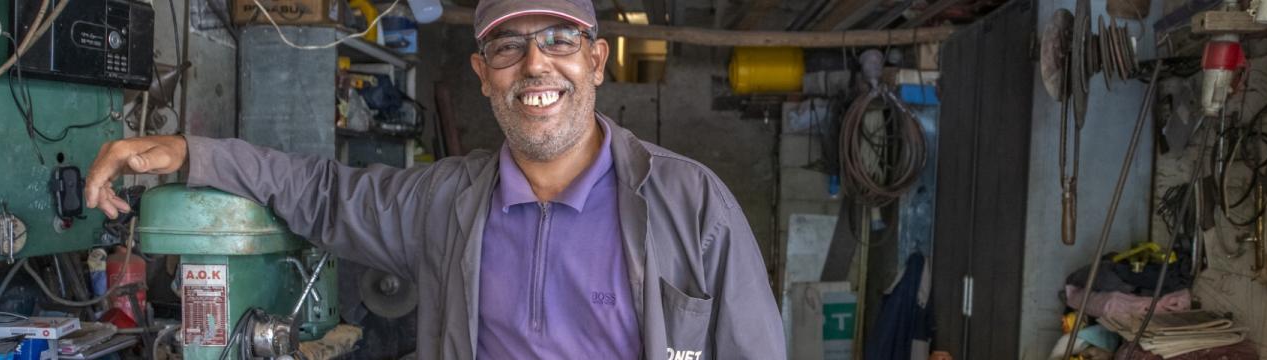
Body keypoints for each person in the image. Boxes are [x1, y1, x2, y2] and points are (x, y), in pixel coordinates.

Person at [84, 0, 785, 358]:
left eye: (560, 40)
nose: (536, 66)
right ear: (483, 76)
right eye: (508, 47)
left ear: (597, 61)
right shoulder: (445, 202)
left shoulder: (690, 203)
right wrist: (188, 150)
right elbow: (325, 195)